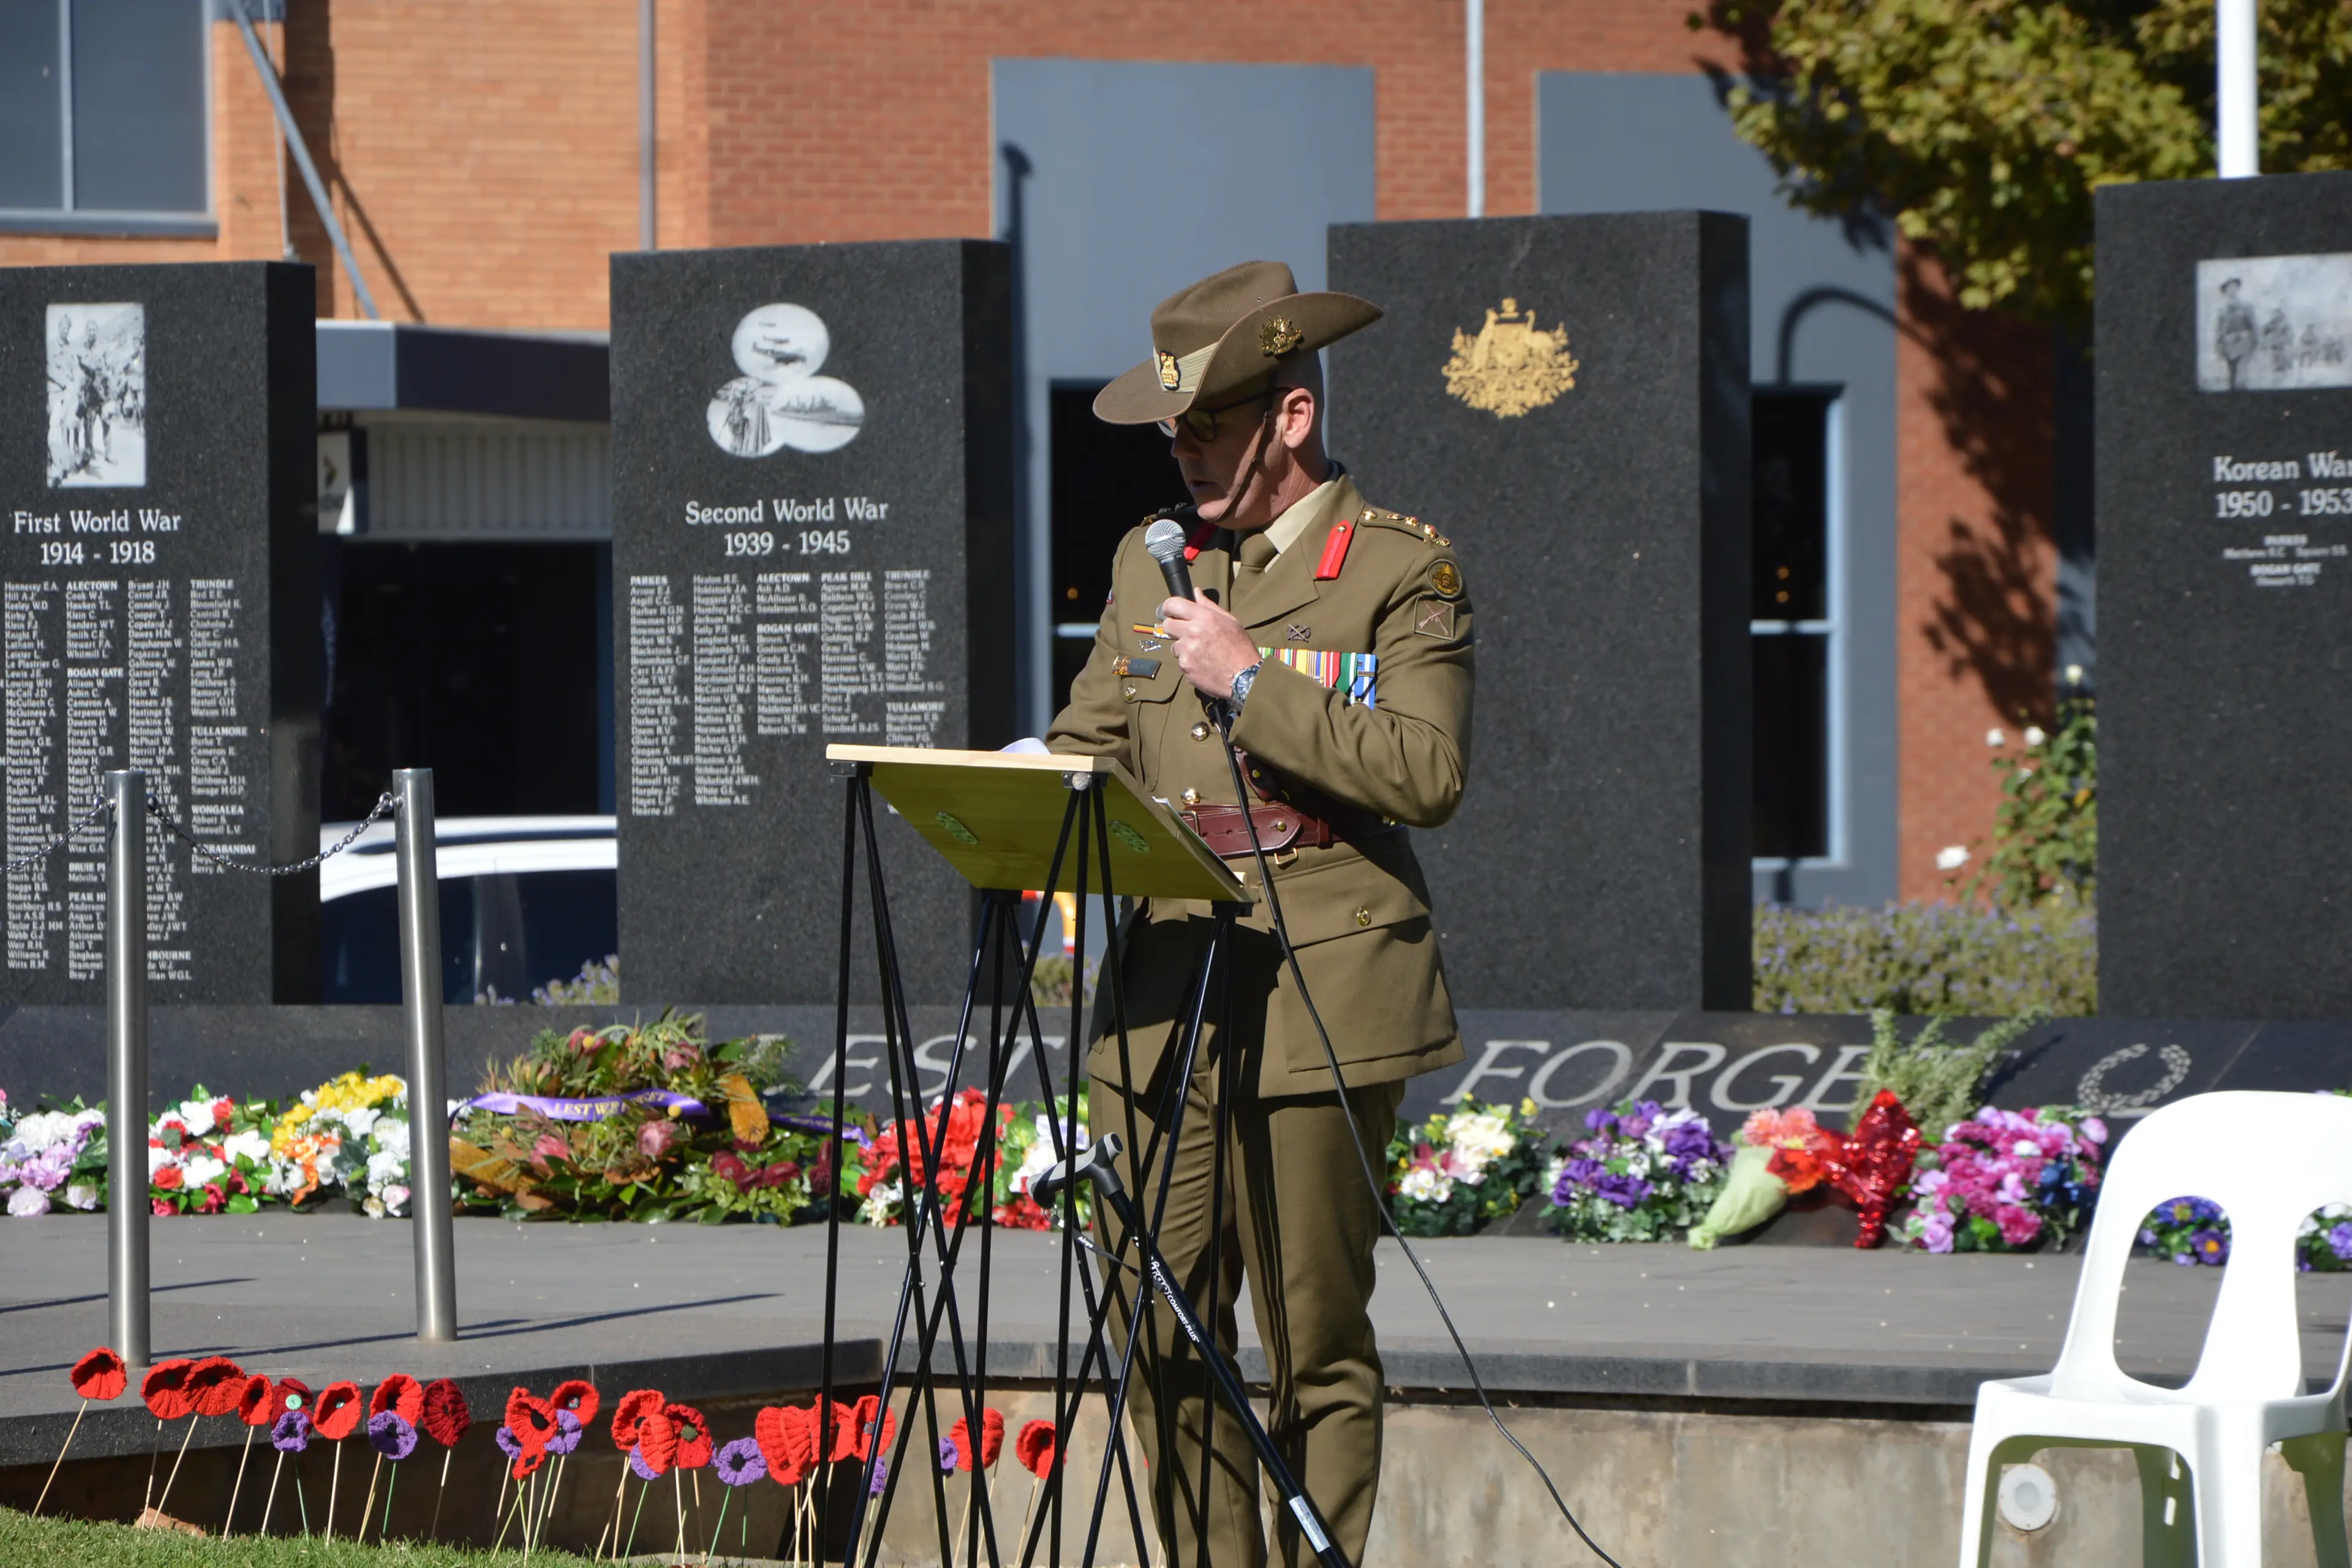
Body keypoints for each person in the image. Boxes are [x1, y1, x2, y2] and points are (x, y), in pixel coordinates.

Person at [1047, 260, 1473, 1567]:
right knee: (1154, 1319)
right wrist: (1034, 777)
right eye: (1170, 433)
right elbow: (1093, 734)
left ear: (1291, 416)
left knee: (1312, 1342)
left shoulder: (1399, 566)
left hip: (1320, 985)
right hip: (1164, 987)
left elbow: (1427, 771)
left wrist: (1250, 682)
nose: (1181, 455)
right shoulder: (1153, 561)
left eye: (1205, 428)